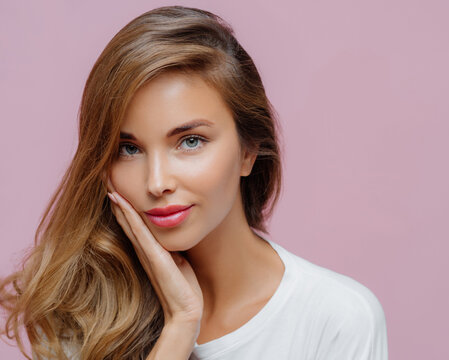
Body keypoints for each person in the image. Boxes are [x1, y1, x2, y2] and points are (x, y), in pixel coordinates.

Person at [0, 5, 388, 360]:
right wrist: (180, 325)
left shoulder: (337, 319)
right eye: (128, 149)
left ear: (249, 150)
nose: (156, 182)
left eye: (190, 141)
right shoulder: (84, 312)